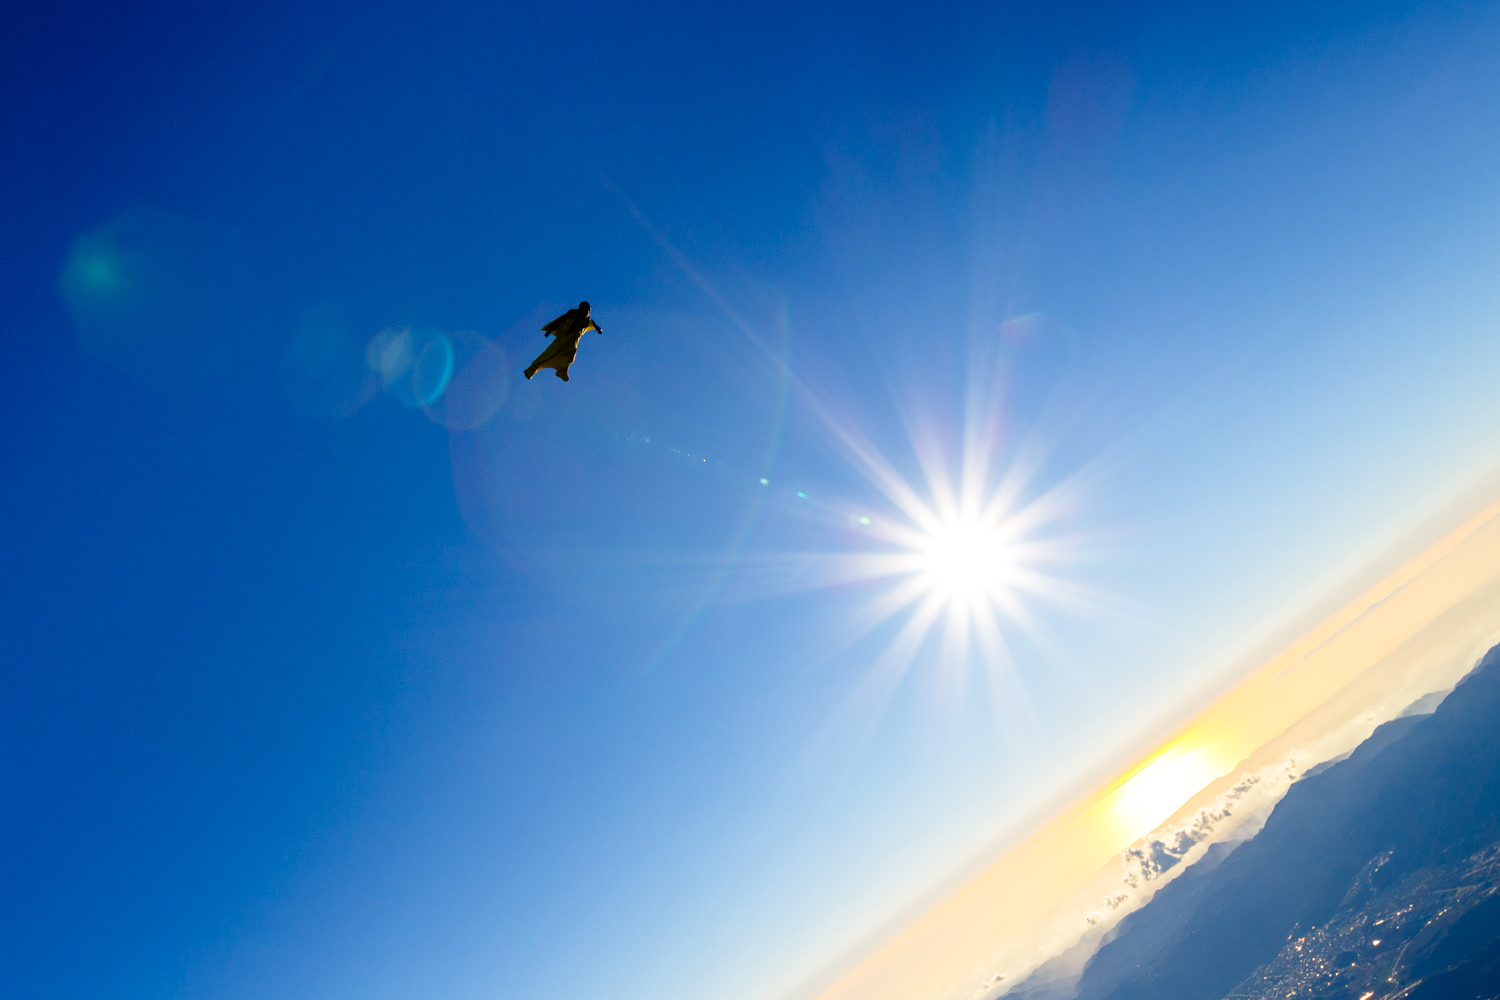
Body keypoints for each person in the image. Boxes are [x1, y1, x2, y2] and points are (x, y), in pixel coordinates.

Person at [524, 301, 603, 381]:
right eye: (584, 310)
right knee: (548, 355)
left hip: (573, 343)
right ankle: (530, 371)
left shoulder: (588, 321)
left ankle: (562, 370)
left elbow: (595, 325)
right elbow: (560, 320)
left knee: (570, 358)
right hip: (563, 341)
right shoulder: (573, 315)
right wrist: (550, 328)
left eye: (588, 311)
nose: (586, 312)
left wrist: (599, 329)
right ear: (580, 310)